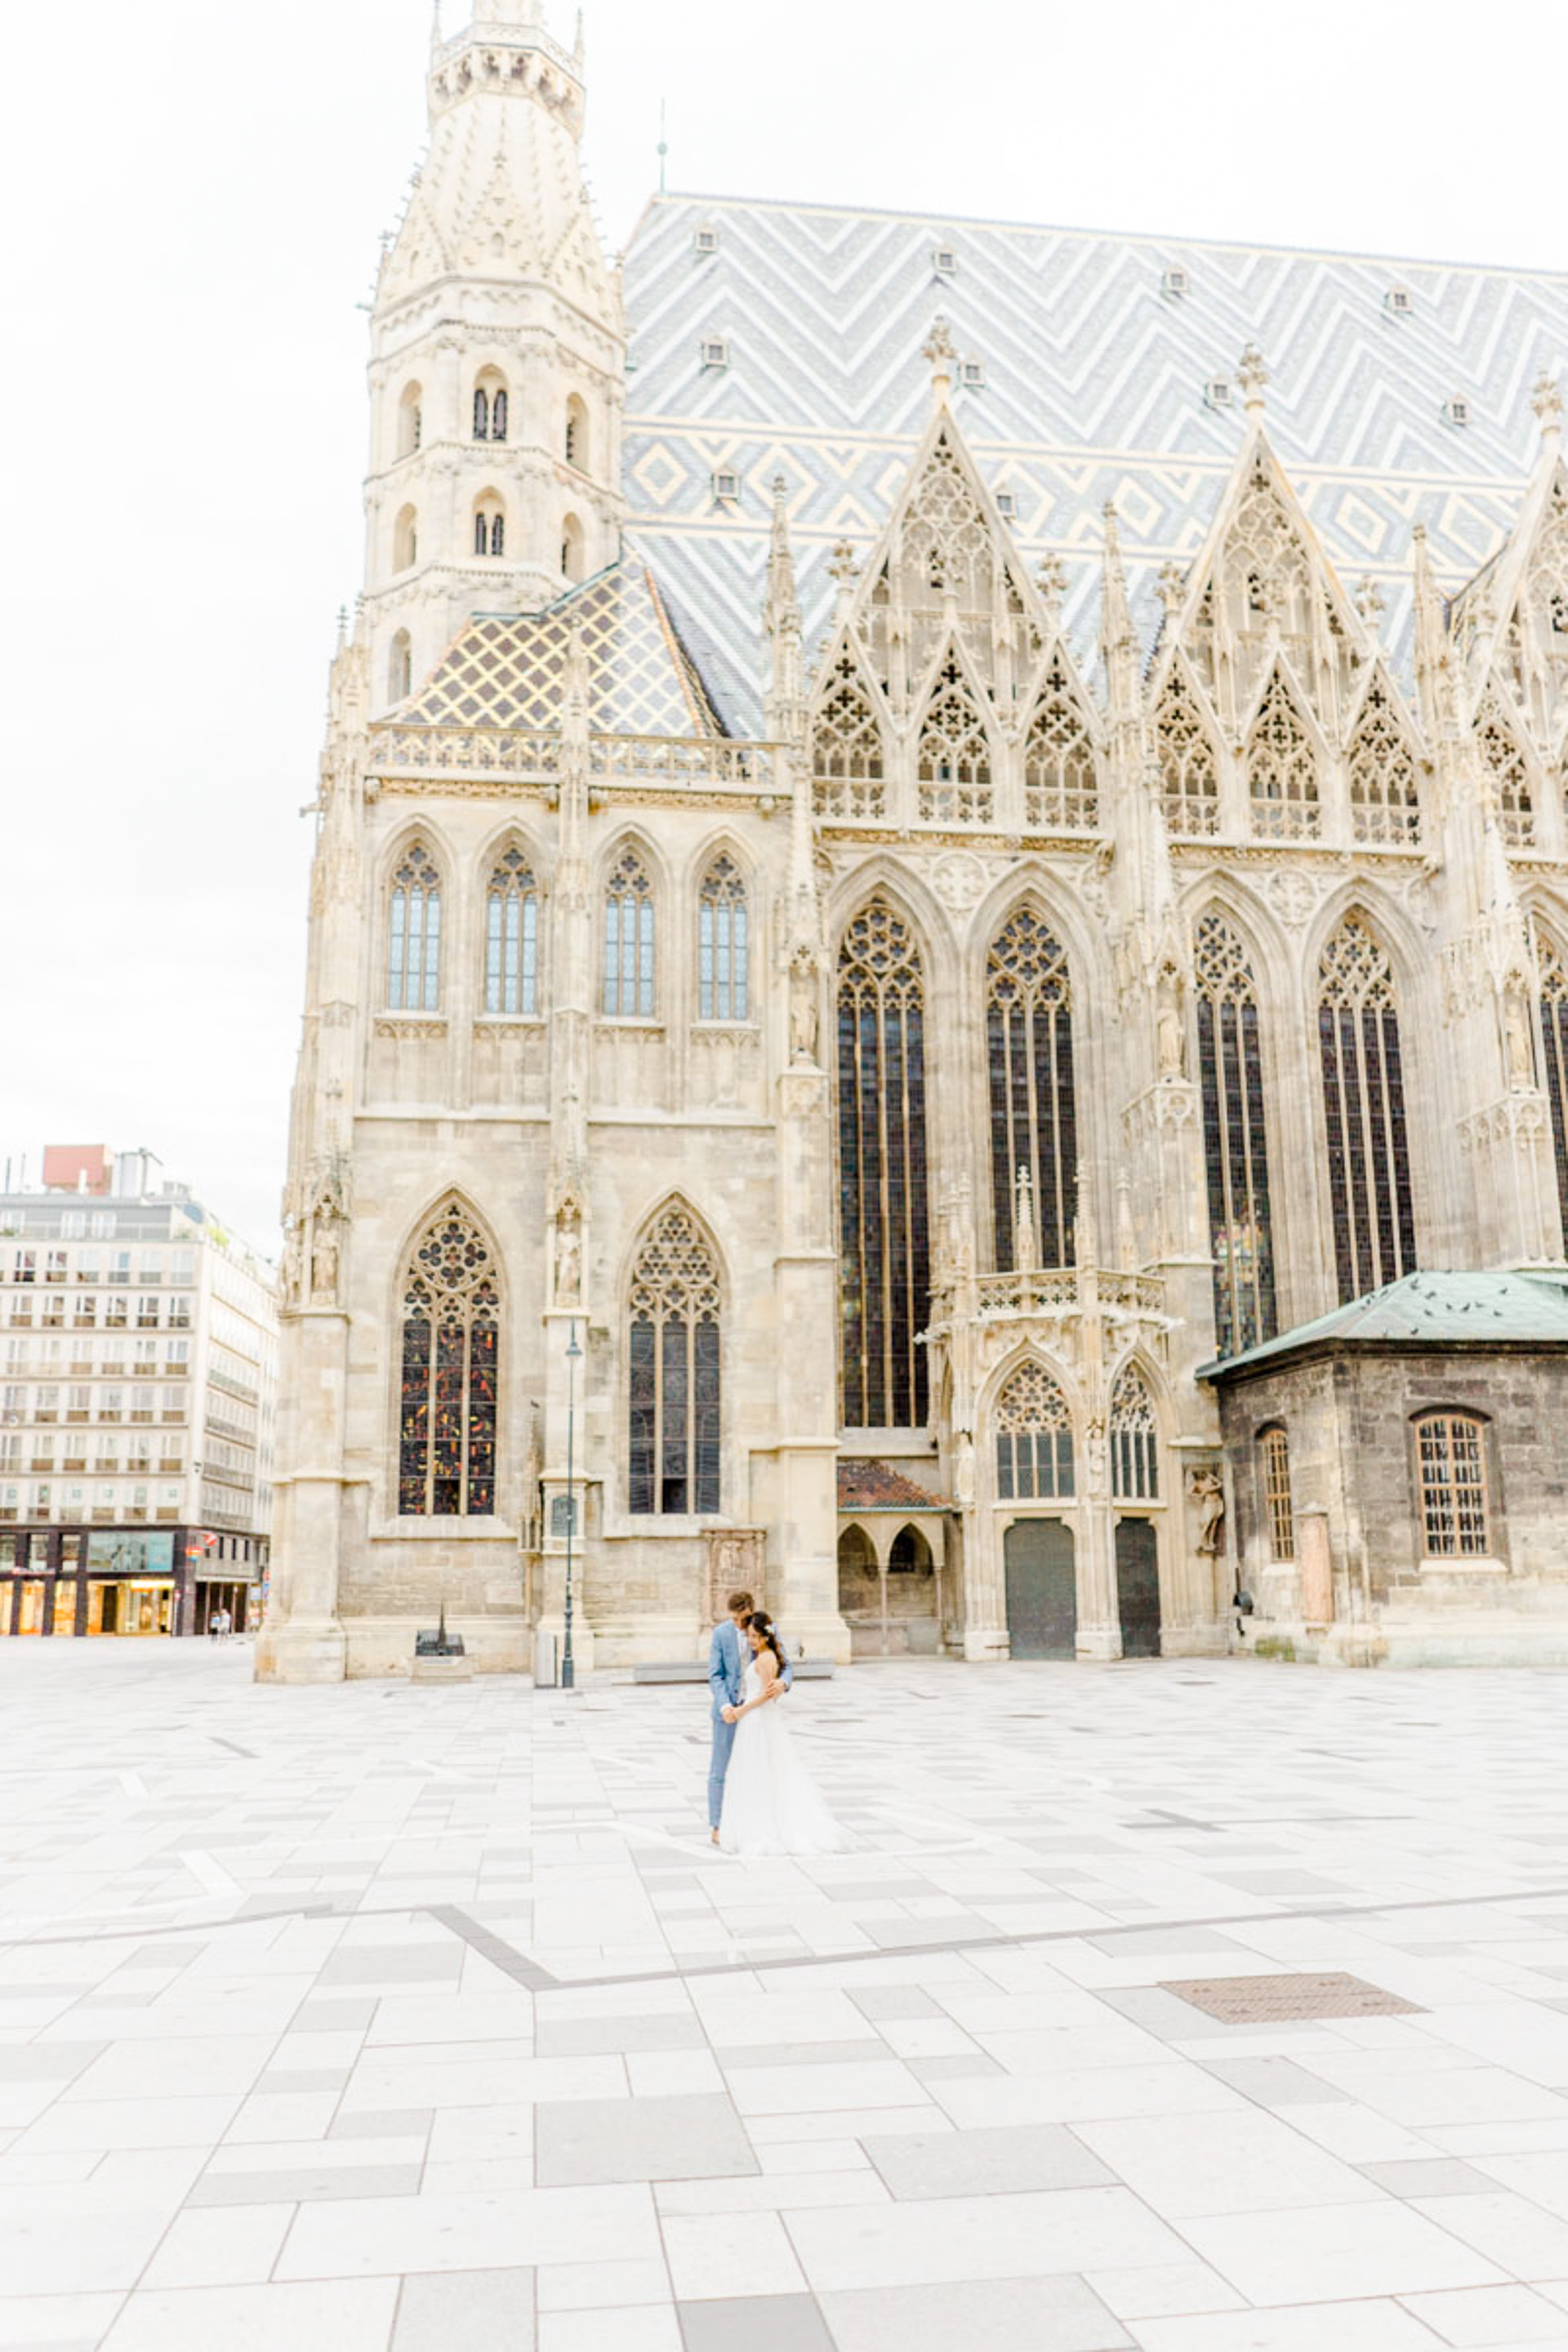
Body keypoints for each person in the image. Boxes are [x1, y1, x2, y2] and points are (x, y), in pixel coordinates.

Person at [719, 1610, 852, 1858]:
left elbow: (770, 1695)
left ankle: (764, 1828)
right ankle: (750, 1825)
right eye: (748, 1636)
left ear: (764, 1636)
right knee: (753, 1771)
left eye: (753, 1636)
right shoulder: (763, 1654)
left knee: (762, 1771)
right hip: (753, 1718)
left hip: (757, 1718)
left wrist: (741, 1710)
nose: (750, 1640)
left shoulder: (766, 1657)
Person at [707, 1588, 790, 1846]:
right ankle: (718, 1825)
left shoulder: (764, 1628)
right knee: (719, 1770)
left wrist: (783, 1684)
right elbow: (715, 1675)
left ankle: (756, 1820)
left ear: (751, 1612)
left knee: (757, 1768)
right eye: (734, 1619)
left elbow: (785, 1663)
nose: (739, 1625)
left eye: (742, 1619)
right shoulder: (721, 1634)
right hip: (729, 1711)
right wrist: (724, 1707)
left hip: (757, 1711)